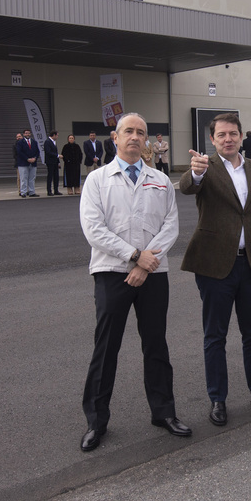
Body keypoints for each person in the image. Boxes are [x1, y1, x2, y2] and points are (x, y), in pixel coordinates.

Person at [78, 112, 190, 451]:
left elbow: (171, 226)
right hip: (112, 273)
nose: (135, 137)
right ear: (115, 137)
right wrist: (134, 256)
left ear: (147, 141)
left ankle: (163, 412)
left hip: (154, 273)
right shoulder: (97, 180)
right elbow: (94, 229)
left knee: (156, 344)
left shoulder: (159, 180)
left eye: (141, 132)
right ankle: (96, 422)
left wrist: (146, 262)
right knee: (106, 347)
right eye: (129, 131)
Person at [179, 113, 251, 425]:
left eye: (233, 134)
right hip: (214, 265)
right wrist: (195, 174)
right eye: (221, 135)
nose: (228, 139)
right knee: (215, 336)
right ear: (212, 139)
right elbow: (186, 187)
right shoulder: (204, 167)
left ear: (241, 136)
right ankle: (218, 399)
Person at [15, 129, 41, 197]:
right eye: (26, 133)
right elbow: (19, 152)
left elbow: (37, 152)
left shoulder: (34, 142)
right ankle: (23, 192)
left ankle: (32, 192)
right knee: (23, 178)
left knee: (32, 178)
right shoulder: (20, 142)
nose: (27, 134)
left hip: (33, 163)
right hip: (23, 163)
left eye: (29, 133)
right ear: (23, 134)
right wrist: (27, 159)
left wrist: (35, 158)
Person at [44, 131, 62, 196]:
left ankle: (56, 190)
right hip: (50, 162)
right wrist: (57, 156)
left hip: (55, 162)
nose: (57, 137)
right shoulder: (47, 142)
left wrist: (58, 162)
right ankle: (49, 190)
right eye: (57, 135)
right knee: (50, 176)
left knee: (56, 176)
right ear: (54, 135)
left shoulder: (54, 142)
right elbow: (48, 152)